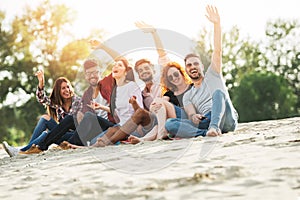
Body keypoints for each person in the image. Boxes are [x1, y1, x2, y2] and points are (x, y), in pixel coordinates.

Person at [164, 5, 238, 138]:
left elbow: (217, 50)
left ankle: (214, 127)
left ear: (202, 66)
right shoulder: (188, 95)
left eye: (196, 64)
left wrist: (217, 24)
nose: (193, 67)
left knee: (218, 93)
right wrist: (194, 117)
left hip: (226, 119)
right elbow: (191, 114)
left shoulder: (213, 74)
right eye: (189, 65)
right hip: (206, 121)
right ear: (186, 69)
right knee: (170, 124)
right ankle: (206, 132)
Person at [19, 59, 117, 154]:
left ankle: (51, 145)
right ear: (86, 76)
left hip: (107, 126)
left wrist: (102, 46)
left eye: (95, 72)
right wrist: (41, 83)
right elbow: (42, 99)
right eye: (89, 73)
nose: (92, 75)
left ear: (100, 72)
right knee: (58, 120)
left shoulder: (106, 84)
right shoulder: (87, 94)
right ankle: (36, 148)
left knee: (87, 116)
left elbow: (121, 64)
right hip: (85, 130)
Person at [2, 71, 81, 157]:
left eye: (68, 87)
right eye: (63, 88)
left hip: (74, 136)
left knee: (46, 134)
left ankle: (21, 151)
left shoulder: (77, 101)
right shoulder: (58, 103)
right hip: (61, 134)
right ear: (58, 91)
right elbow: (42, 99)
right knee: (44, 119)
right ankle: (26, 149)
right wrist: (41, 82)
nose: (67, 90)